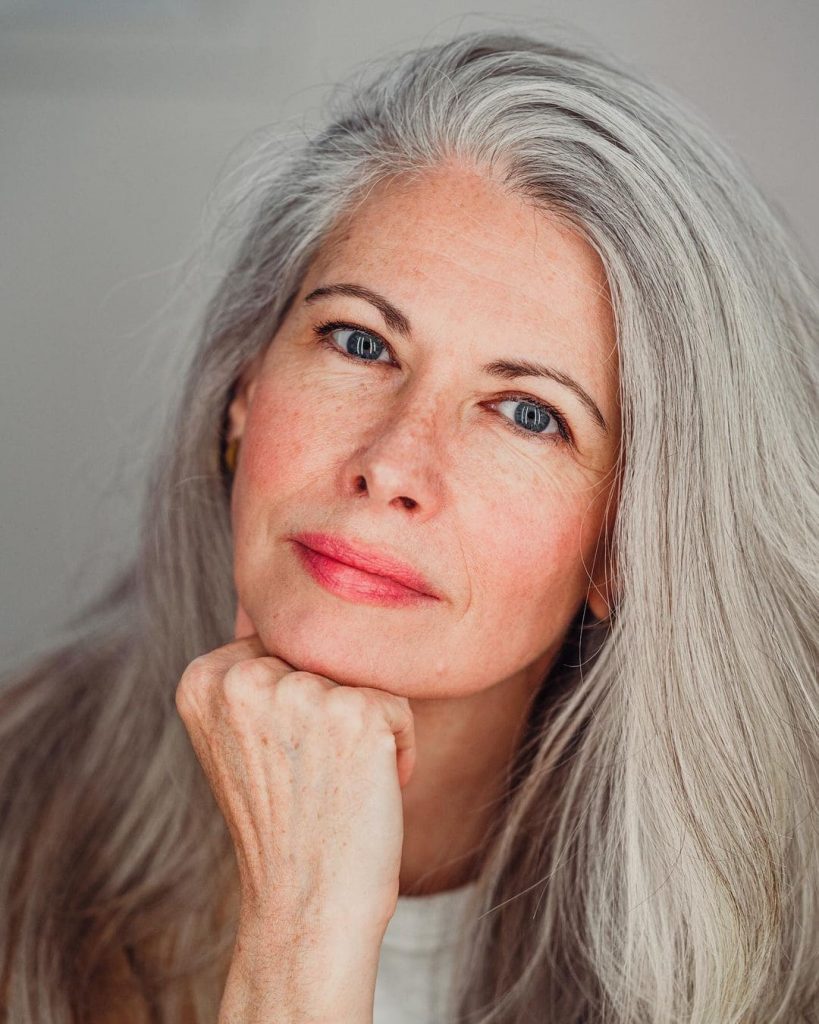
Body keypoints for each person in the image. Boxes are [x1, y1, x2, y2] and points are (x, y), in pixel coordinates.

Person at [1, 28, 817, 1024]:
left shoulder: (782, 942)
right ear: (242, 393)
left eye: (527, 412)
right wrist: (298, 920)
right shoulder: (16, 819)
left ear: (622, 545)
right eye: (360, 341)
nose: (391, 461)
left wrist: (305, 927)